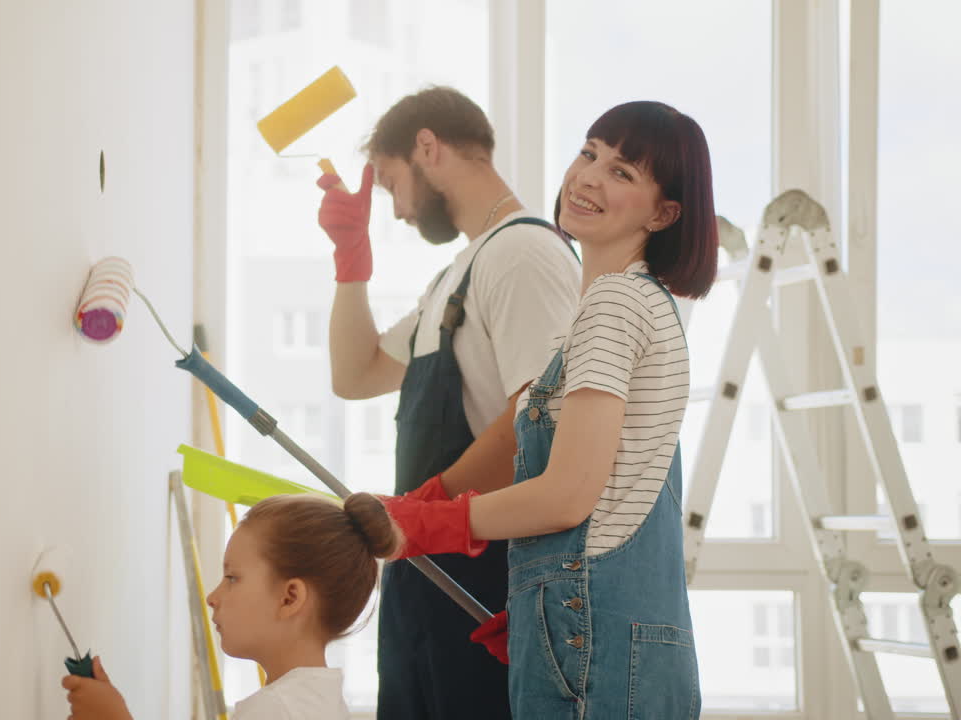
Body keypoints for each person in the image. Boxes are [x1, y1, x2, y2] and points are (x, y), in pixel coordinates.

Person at [380, 100, 718, 719]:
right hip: (612, 638)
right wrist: (539, 605)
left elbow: (567, 496)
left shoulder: (614, 307)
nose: (588, 177)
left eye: (621, 172)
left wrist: (430, 521)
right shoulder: (638, 304)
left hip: (597, 648)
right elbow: (620, 495)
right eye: (589, 153)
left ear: (664, 213)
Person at [317, 86, 581, 719]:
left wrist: (428, 509)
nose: (397, 210)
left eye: (391, 183)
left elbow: (541, 423)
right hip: (429, 582)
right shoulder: (456, 276)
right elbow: (355, 374)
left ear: (427, 147)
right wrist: (350, 264)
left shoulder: (522, 255)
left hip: (489, 585)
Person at [62, 492, 398, 720]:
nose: (213, 596)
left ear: (290, 598)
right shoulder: (317, 702)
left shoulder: (276, 711)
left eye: (232, 578)